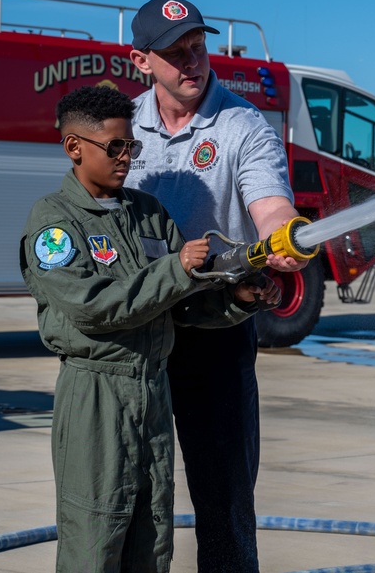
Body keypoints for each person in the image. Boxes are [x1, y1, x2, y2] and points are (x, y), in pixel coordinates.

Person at [19, 85, 279, 573]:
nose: (125, 158)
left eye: (130, 146)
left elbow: (179, 305)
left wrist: (236, 300)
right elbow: (90, 306)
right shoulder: (55, 222)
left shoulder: (149, 214)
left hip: (152, 390)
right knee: (97, 535)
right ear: (74, 147)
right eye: (113, 147)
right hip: (98, 393)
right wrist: (177, 270)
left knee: (152, 534)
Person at [125, 0, 307, 573]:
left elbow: (271, 206)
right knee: (128, 497)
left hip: (214, 334)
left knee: (224, 501)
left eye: (198, 46)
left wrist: (285, 238)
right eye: (175, 52)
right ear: (141, 61)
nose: (192, 61)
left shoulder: (241, 126)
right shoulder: (120, 128)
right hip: (137, 333)